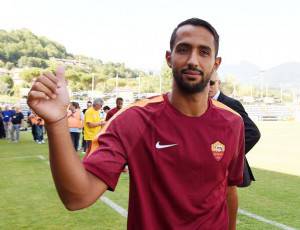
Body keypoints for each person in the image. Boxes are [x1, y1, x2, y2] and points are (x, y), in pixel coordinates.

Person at [27, 18, 244, 230]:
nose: (193, 60)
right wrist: (56, 122)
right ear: (169, 58)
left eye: (204, 52)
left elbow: (228, 189)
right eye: (183, 49)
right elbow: (77, 197)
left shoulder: (233, 123)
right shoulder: (133, 120)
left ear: (216, 63)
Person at [209, 72, 261, 187]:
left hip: (228, 170)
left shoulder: (231, 104)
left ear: (219, 83)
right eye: (204, 84)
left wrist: (229, 156)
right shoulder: (203, 104)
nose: (208, 87)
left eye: (211, 83)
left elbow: (253, 133)